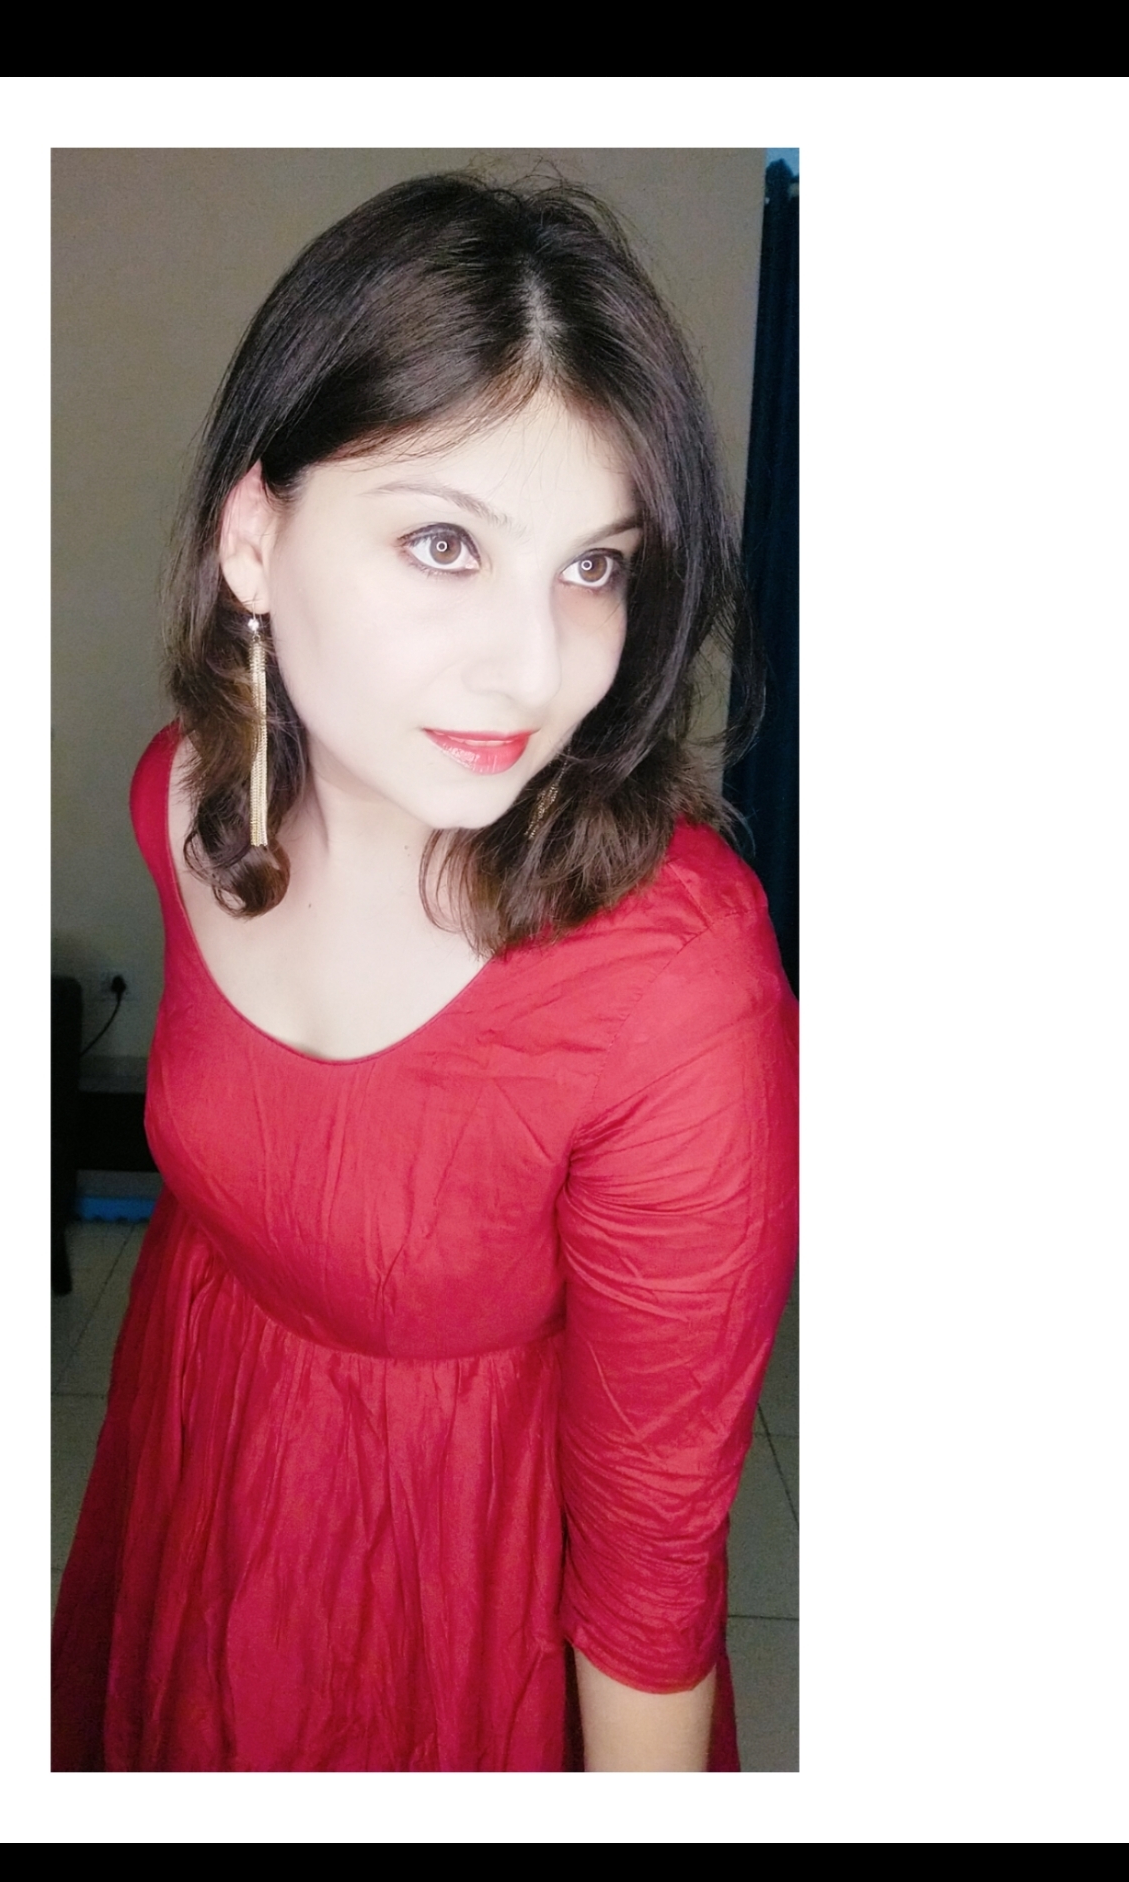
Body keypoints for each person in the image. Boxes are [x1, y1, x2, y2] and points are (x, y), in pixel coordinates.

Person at [52, 173, 797, 1772]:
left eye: (595, 567)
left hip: (458, 1617)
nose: (535, 671)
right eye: (445, 542)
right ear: (256, 540)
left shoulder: (673, 991)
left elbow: (653, 1573)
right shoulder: (184, 801)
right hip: (196, 1489)